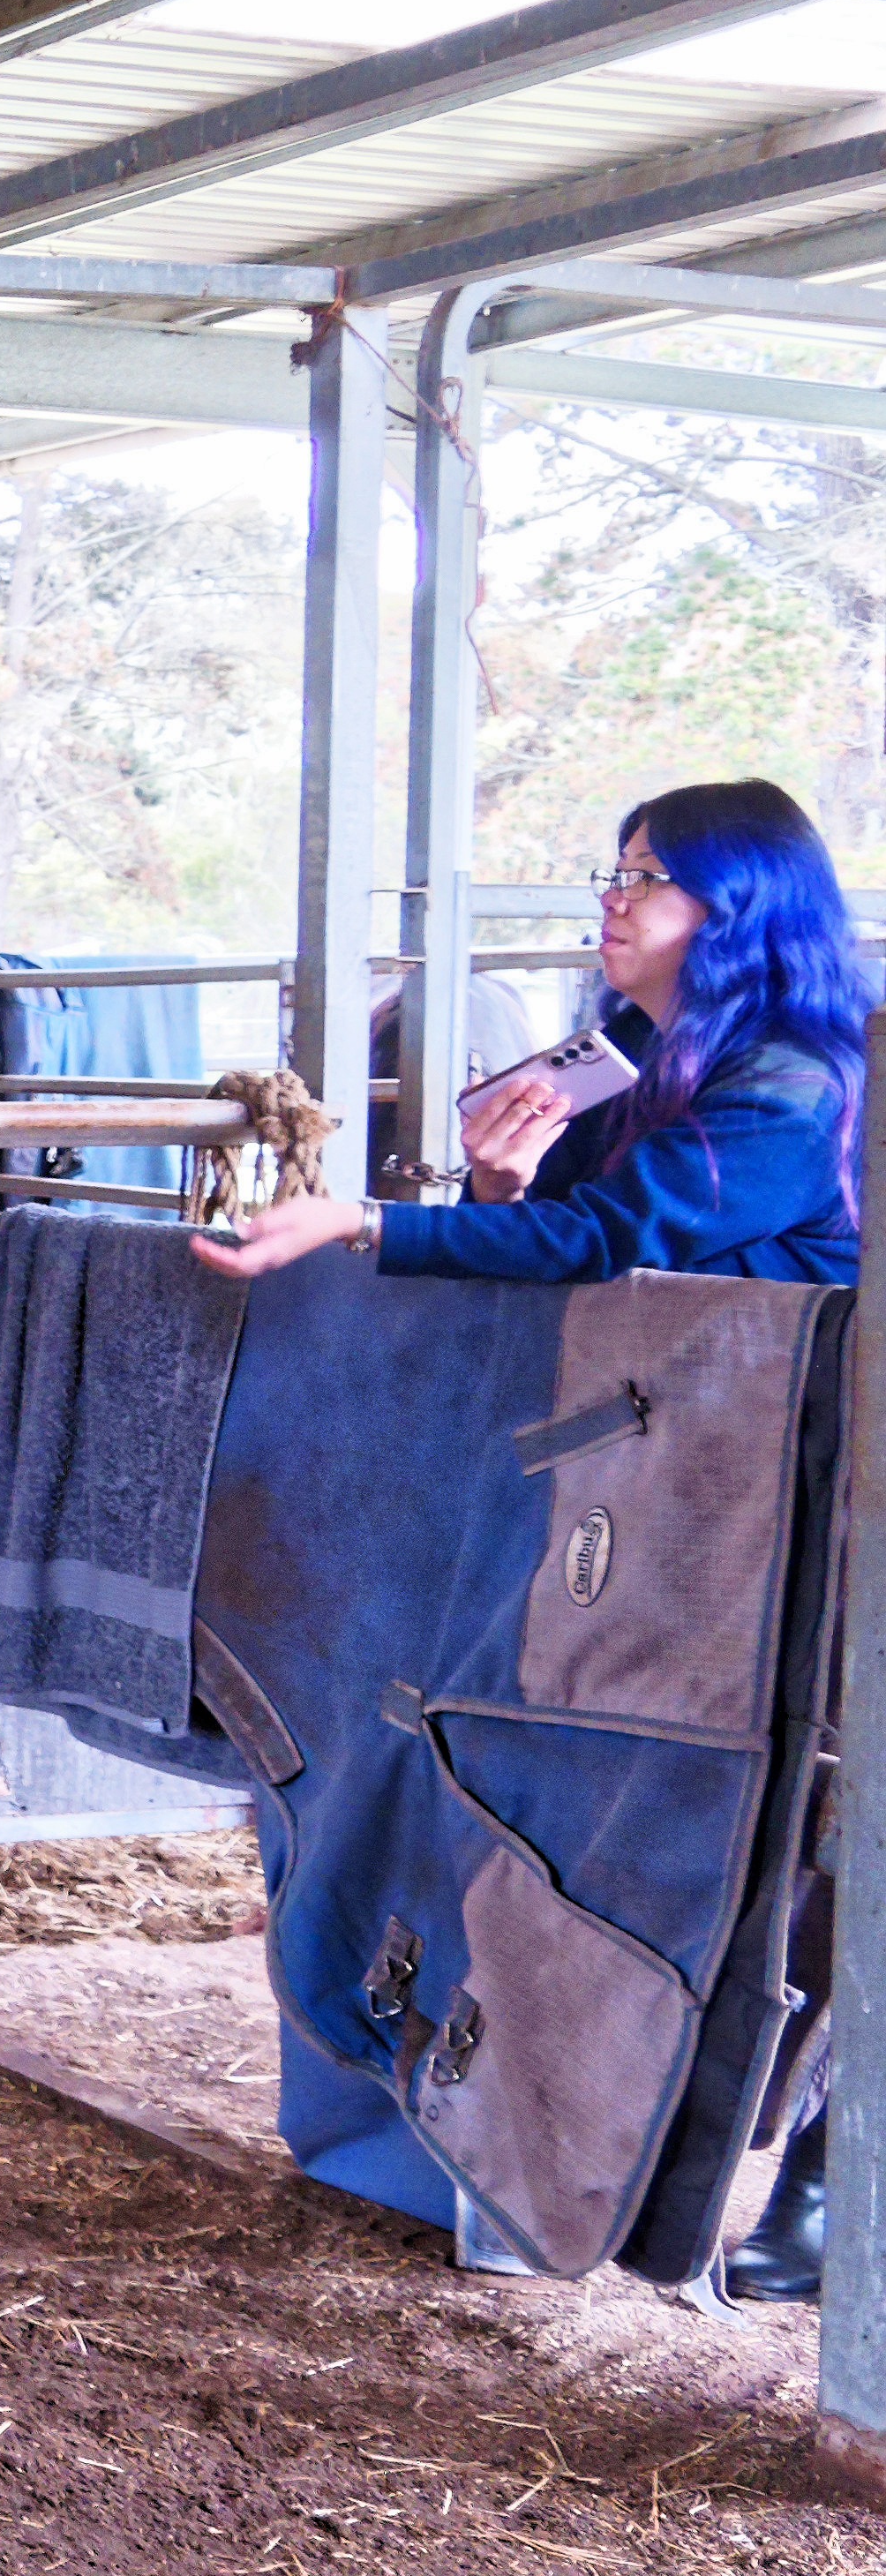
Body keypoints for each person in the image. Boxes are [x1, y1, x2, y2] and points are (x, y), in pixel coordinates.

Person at [199, 777, 865, 2302]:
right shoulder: (654, 1074)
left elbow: (607, 1242)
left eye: (651, 879)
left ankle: (831, 2181)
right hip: (689, 1512)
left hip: (819, 1516)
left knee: (826, 1828)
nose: (612, 902)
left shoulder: (788, 1085)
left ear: (739, 912)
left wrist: (365, 1225)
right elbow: (566, 1235)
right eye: (614, 872)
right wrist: (498, 1178)